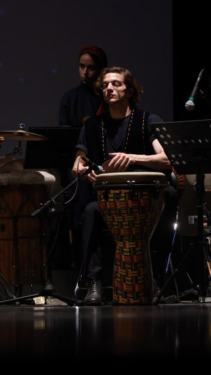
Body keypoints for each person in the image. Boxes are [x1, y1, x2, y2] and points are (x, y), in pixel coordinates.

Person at [71, 67, 174, 305]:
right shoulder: (92, 126)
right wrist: (84, 171)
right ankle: (94, 282)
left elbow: (167, 159)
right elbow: (78, 161)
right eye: (105, 85)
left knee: (165, 200)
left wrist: (134, 158)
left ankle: (154, 279)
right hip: (109, 198)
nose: (109, 88)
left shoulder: (148, 120)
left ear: (128, 90)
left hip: (146, 196)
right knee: (90, 211)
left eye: (116, 84)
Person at [59, 46, 108, 127]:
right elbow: (64, 135)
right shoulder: (69, 98)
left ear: (101, 69)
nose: (85, 72)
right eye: (82, 66)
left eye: (91, 67)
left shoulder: (109, 97)